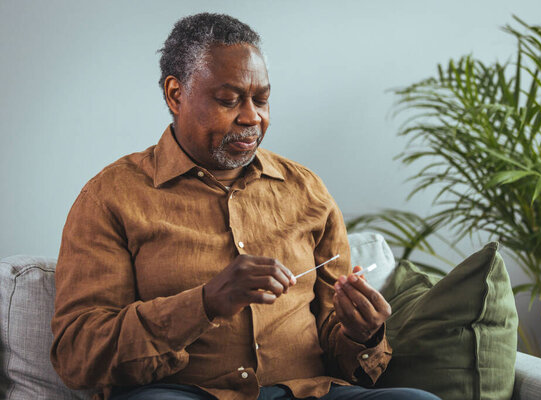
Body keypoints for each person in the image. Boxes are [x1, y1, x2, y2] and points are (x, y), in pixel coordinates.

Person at [51, 13, 440, 400]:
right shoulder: (111, 197)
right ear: (176, 94)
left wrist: (363, 334)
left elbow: (338, 349)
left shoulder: (306, 190)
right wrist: (205, 302)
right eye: (228, 99)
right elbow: (77, 355)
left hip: (307, 392)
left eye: (262, 99)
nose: (252, 116)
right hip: (183, 393)